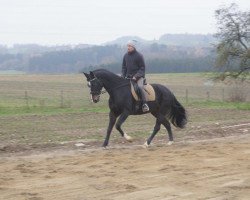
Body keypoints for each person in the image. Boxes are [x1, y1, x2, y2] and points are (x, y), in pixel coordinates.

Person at [122, 40, 149, 112]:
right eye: (127, 46)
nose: (128, 47)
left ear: (133, 47)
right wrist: (123, 76)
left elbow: (142, 68)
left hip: (138, 77)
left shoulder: (139, 56)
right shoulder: (125, 56)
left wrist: (136, 76)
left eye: (130, 46)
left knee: (139, 87)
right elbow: (124, 67)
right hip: (128, 77)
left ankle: (144, 104)